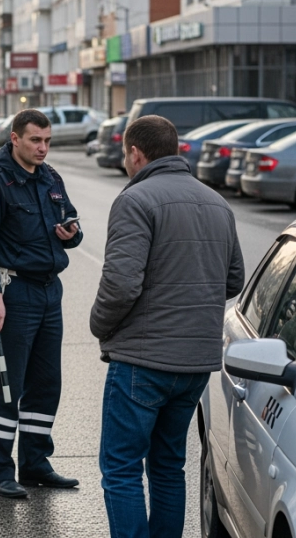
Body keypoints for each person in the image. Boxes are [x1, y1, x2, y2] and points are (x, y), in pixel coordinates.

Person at [90, 115, 245, 538]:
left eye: (125, 155)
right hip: (195, 364)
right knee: (167, 466)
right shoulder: (216, 202)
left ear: (136, 154)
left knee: (121, 468)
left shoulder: (136, 200)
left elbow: (121, 285)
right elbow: (234, 280)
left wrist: (98, 325)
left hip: (143, 359)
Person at [0, 108, 83, 499]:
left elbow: (70, 222)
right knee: (7, 386)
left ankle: (35, 463)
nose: (43, 148)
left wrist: (71, 233)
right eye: (35, 140)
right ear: (15, 138)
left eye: (47, 140)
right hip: (14, 293)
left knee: (46, 383)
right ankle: (1, 472)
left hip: (50, 292)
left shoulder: (50, 177)